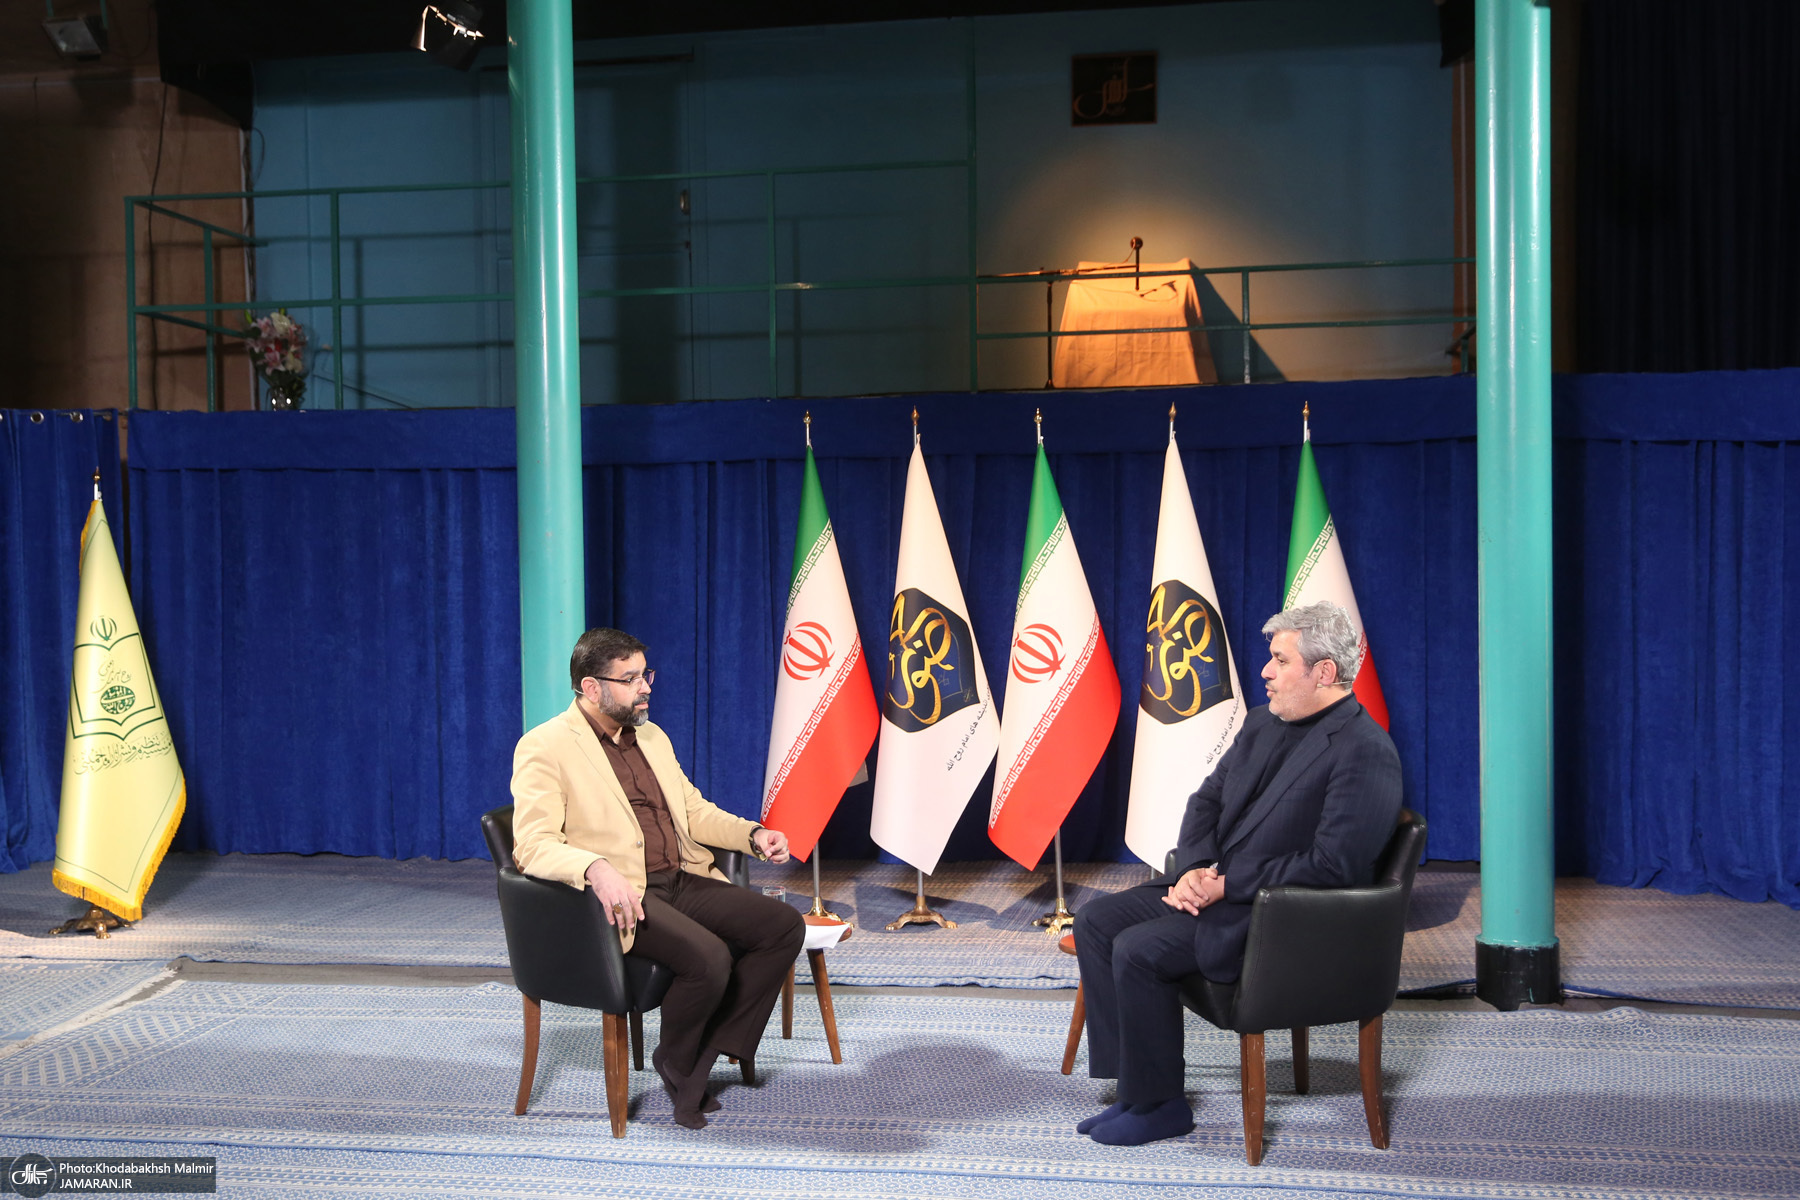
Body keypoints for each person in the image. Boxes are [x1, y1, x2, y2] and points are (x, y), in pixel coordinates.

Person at [1073, 601, 1403, 1146]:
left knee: (1138, 948)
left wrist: (1227, 885)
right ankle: (1133, 1087)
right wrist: (1194, 869)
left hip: (1281, 919)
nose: (1265, 672)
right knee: (1096, 921)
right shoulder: (1262, 722)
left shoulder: (1366, 751)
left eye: (1281, 661)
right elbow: (1205, 801)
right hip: (1221, 888)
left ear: (1324, 672)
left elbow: (1333, 866)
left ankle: (1161, 1106)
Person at [510, 627, 805, 1129]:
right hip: (623, 897)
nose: (645, 686)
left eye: (646, 674)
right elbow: (532, 845)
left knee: (782, 926)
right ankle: (678, 1061)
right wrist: (595, 868)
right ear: (591, 688)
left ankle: (702, 1053)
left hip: (680, 877)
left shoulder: (651, 736)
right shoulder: (545, 747)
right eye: (630, 679)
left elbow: (693, 812)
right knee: (709, 958)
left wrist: (753, 835)